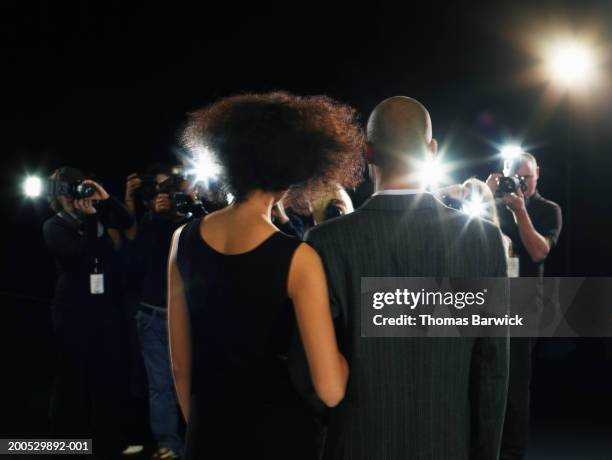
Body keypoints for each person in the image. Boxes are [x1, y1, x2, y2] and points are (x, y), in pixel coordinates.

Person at [305, 96, 509, 460]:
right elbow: (492, 370)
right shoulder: (483, 240)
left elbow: (313, 375)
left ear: (367, 152)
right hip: (448, 446)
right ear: (431, 150)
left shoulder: (326, 243)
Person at [167, 91, 363, 459]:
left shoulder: (182, 240)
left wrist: (202, 428)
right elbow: (331, 389)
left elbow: (179, 365)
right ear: (289, 174)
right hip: (280, 438)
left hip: (207, 434)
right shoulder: (298, 259)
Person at [43, 166, 134, 457]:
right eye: (66, 194)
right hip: (72, 311)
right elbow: (81, 257)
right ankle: (66, 443)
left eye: (76, 190)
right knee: (72, 378)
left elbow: (126, 220)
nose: (73, 198)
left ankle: (107, 443)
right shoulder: (54, 226)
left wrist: (104, 199)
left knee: (106, 377)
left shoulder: (97, 212)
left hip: (104, 308)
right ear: (57, 198)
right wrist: (91, 219)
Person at [123, 165, 203, 460]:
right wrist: (157, 218)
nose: (170, 199)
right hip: (154, 314)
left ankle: (198, 439)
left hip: (191, 317)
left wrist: (190, 209)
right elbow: (133, 262)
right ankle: (168, 444)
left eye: (177, 194)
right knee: (160, 387)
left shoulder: (196, 223)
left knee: (197, 381)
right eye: (164, 194)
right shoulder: (151, 225)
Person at [486, 152, 562, 460]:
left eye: (526, 177)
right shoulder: (492, 204)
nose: (520, 184)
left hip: (523, 304)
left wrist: (520, 212)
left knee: (515, 384)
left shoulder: (548, 209)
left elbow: (538, 252)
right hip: (486, 300)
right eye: (514, 178)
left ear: (537, 174)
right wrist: (485, 194)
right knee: (483, 377)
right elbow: (459, 232)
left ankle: (512, 453)